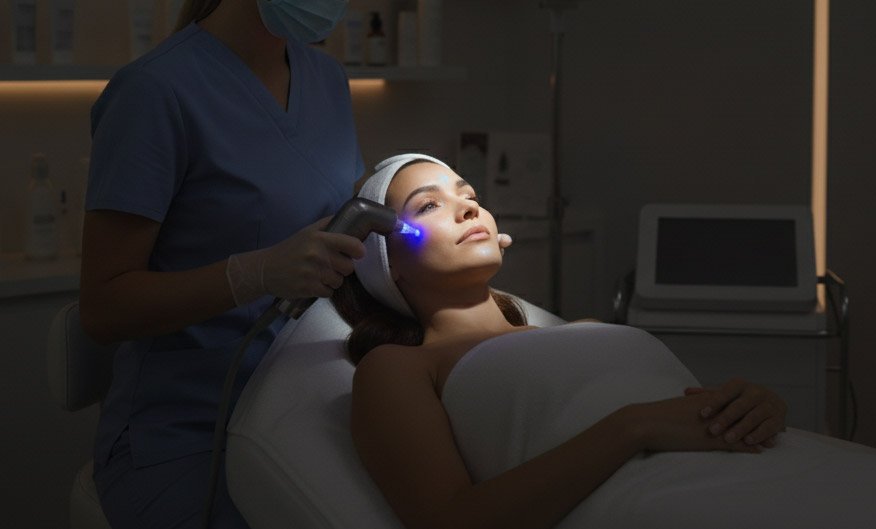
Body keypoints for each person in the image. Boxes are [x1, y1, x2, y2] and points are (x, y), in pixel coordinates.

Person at [331, 153, 789, 529]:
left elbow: (690, 411)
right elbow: (448, 521)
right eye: (428, 206)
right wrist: (632, 428)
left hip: (776, 473)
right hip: (684, 507)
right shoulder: (400, 367)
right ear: (388, 263)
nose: (469, 208)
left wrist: (750, 408)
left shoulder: (585, 330)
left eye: (469, 195)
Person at [80, 1, 370, 527]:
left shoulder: (326, 78)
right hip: (191, 432)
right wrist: (252, 274)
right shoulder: (153, 91)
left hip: (306, 412)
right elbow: (103, 308)